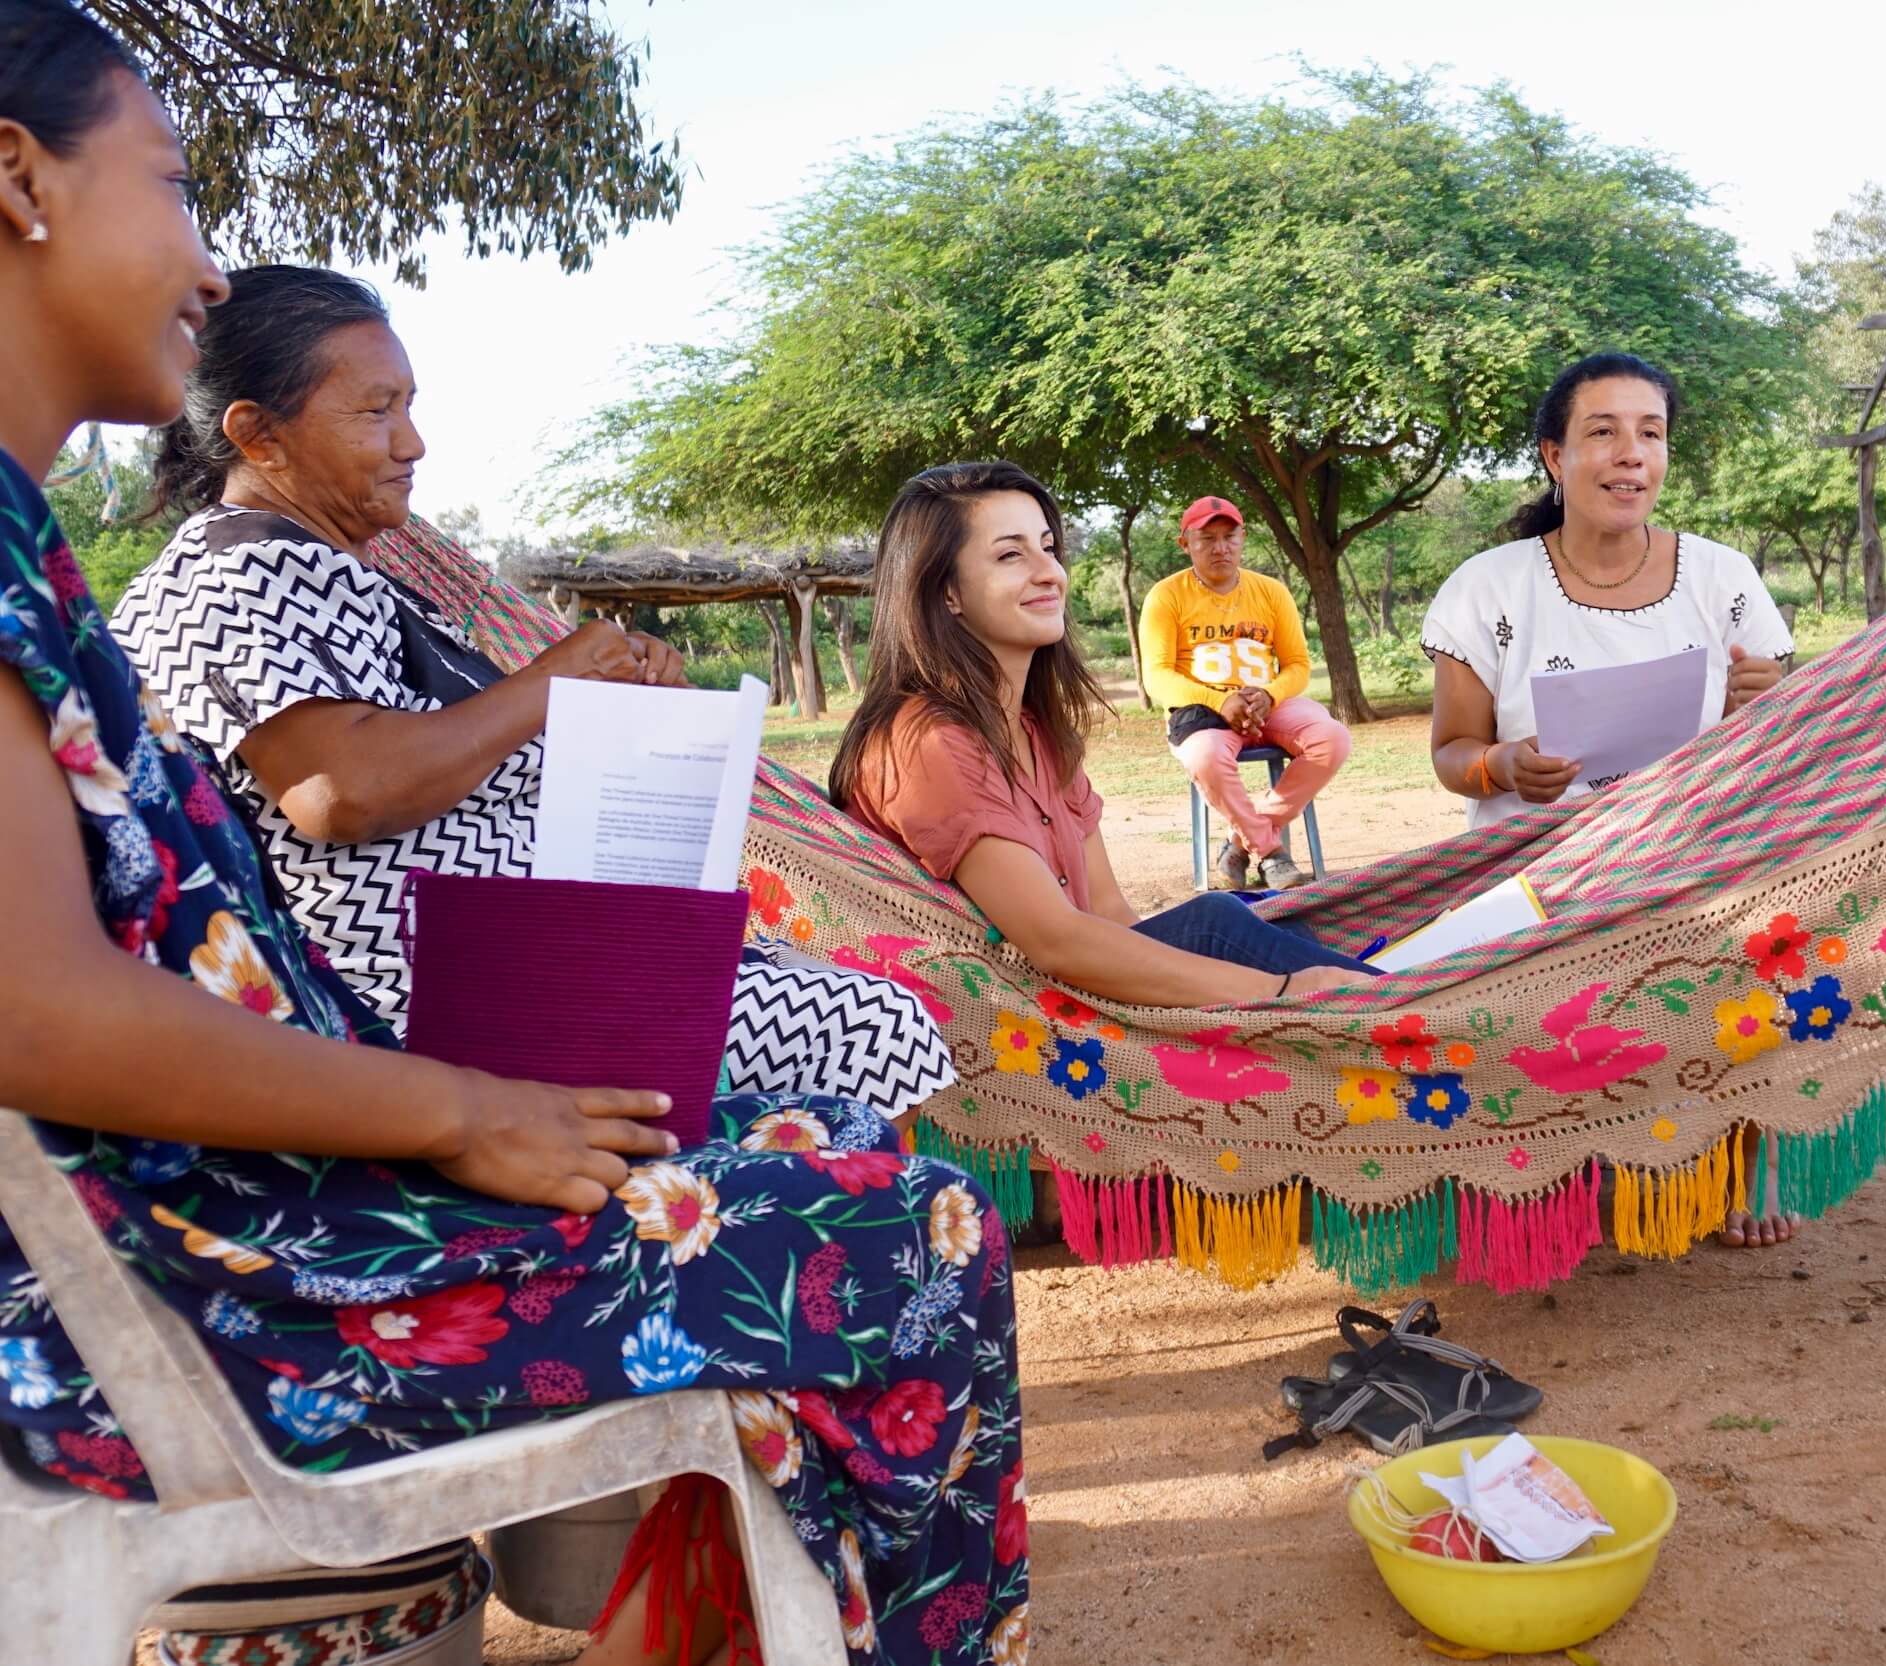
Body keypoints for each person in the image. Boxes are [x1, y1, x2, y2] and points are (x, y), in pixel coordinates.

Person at [0, 10, 1024, 1666]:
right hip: (226, 1298)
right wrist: (460, 1109)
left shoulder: (33, 557)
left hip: (263, 1221)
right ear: (18, 178)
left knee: (832, 1134)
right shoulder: (125, 574)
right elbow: (35, 1008)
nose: (202, 266)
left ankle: (726, 1616)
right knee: (917, 1230)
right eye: (176, 185)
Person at [112, 263, 953, 1123]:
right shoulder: (235, 575)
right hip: (435, 1004)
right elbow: (340, 791)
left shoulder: (344, 570)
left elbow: (451, 751)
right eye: (377, 410)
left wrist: (610, 699)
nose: (413, 443)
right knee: (868, 1026)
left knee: (841, 998)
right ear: (258, 436)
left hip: (529, 963)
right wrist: (552, 683)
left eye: (410, 405)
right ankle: (839, 1235)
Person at [1420, 350, 1797, 1251]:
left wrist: (1763, 698)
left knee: (1769, 925)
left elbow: (1781, 714)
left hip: (1692, 850)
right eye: (1603, 432)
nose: (1631, 454)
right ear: (1554, 457)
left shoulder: (1720, 577)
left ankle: (1748, 1157)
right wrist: (1507, 766)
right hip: (1542, 864)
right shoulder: (1489, 588)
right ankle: (1566, 1166)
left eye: (1650, 433)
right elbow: (1449, 753)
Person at [830, 462, 1376, 1009]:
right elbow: (1058, 943)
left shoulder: (1039, 731)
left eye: (1048, 547)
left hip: (1072, 995)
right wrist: (1283, 993)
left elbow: (1110, 914)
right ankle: (1411, 1014)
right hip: (1009, 1021)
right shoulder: (927, 741)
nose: (1051, 573)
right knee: (1227, 928)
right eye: (1010, 554)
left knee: (1239, 923)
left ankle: (1403, 1003)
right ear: (947, 592)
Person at [1138, 496, 1352, 889]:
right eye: (1207, 539)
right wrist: (1221, 700)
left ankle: (1239, 844)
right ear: (1184, 543)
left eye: (1229, 537)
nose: (1220, 548)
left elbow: (1298, 665)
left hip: (1266, 704)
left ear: (1243, 538)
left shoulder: (1271, 592)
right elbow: (1157, 676)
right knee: (1204, 758)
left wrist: (1270, 694)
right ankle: (1271, 854)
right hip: (1203, 712)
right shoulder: (1165, 596)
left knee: (1332, 738)